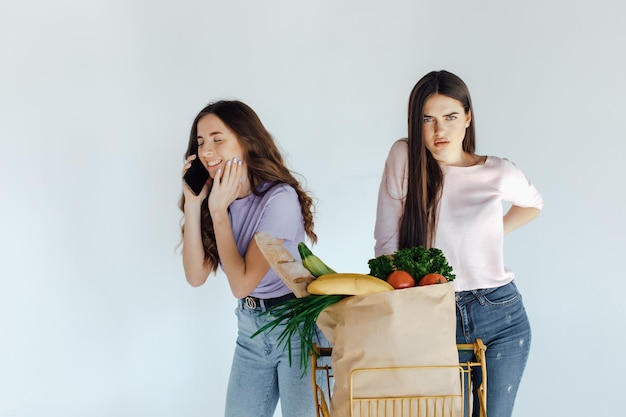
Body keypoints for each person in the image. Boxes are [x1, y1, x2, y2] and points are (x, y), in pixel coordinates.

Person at [374, 70, 543, 417]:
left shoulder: (497, 172)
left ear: (467, 117)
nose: (440, 130)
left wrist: (492, 231)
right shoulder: (404, 159)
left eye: (450, 117)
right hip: (433, 313)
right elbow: (386, 244)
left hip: (501, 314)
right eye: (428, 119)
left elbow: (533, 203)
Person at [179, 100, 328, 417]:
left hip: (297, 326)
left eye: (218, 139)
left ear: (247, 142)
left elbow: (242, 282)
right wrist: (195, 205)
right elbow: (195, 276)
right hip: (250, 327)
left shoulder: (280, 199)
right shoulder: (219, 197)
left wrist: (219, 210)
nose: (207, 151)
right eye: (201, 141)